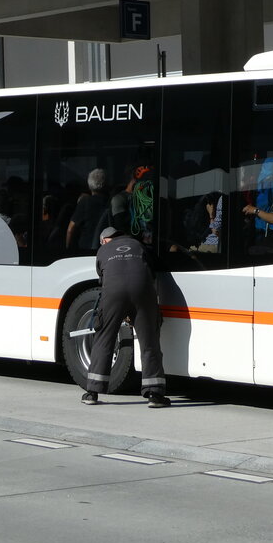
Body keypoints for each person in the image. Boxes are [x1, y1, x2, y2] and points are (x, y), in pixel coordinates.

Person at [80, 226, 170, 408]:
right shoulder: (139, 245)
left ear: (105, 240)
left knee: (104, 338)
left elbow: (102, 276)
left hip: (113, 292)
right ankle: (155, 395)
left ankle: (92, 392)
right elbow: (152, 269)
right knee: (149, 341)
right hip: (142, 289)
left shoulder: (103, 250)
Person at [66, 168, 109, 251]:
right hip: (106, 249)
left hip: (85, 250)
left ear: (89, 185)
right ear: (106, 184)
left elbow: (70, 229)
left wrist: (67, 250)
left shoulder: (85, 202)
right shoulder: (110, 202)